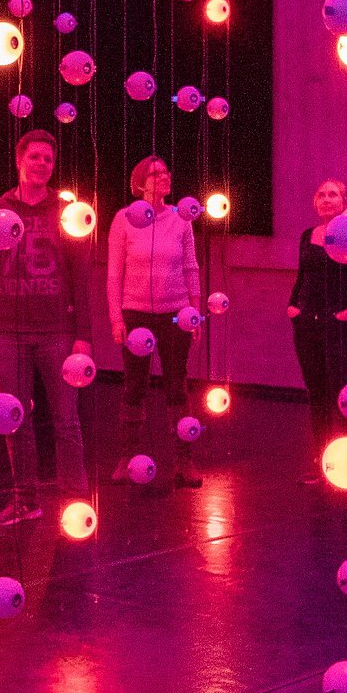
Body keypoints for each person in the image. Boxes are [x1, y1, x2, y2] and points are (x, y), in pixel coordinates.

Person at [0, 130, 96, 525]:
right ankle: (25, 499)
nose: (43, 164)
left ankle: (75, 497)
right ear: (20, 160)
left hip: (58, 333)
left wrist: (83, 336)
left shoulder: (66, 212)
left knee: (66, 420)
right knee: (14, 418)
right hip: (9, 335)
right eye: (36, 157)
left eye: (49, 159)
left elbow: (81, 275)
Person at [106, 155, 204, 489]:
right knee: (134, 385)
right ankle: (126, 457)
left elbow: (191, 266)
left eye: (166, 170)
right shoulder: (123, 219)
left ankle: (184, 460)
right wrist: (116, 318)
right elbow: (114, 272)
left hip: (175, 313)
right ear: (140, 183)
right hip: (135, 313)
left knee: (178, 385)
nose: (164, 176)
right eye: (156, 172)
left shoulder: (181, 218)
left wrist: (195, 311)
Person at [286, 179, 347, 484]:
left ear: (345, 202)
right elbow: (302, 276)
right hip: (307, 324)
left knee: (344, 394)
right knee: (318, 393)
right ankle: (322, 461)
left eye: (334, 195)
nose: (327, 199)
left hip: (340, 324)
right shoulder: (307, 236)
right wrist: (292, 306)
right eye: (322, 194)